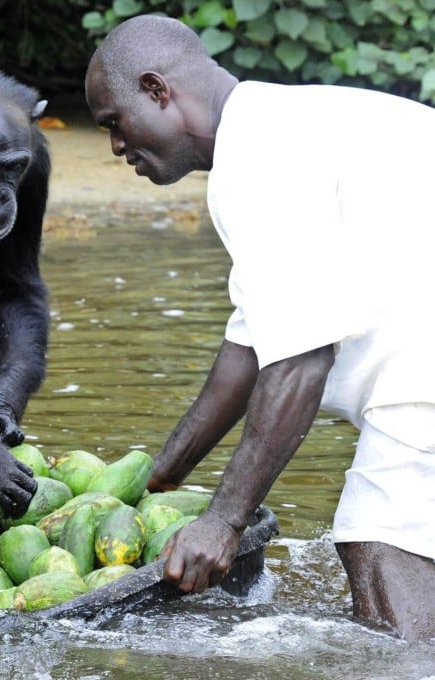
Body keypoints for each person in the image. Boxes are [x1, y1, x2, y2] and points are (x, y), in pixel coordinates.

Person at [85, 14, 435, 642]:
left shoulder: (258, 158)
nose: (114, 146)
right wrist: (160, 476)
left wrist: (224, 520)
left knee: (381, 547)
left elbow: (300, 362)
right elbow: (249, 349)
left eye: (114, 121)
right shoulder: (275, 130)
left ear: (158, 89)